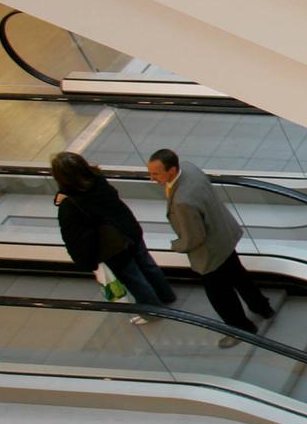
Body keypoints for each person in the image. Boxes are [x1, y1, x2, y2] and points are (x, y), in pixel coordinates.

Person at [148, 148, 273, 347]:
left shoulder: (182, 201)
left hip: (210, 252)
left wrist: (177, 246)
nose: (151, 178)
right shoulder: (189, 168)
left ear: (171, 171)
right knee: (239, 275)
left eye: (156, 173)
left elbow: (194, 237)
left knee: (220, 295)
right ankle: (263, 308)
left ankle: (242, 329)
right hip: (224, 235)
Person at [51, 151, 176, 326]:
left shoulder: (69, 205)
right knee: (146, 264)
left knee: (133, 278)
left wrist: (85, 262)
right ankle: (166, 295)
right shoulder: (97, 178)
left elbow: (73, 237)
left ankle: (153, 311)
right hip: (129, 229)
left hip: (114, 246)